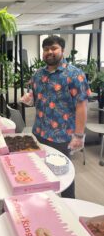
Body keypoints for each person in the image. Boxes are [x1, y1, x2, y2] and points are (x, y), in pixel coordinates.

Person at [21, 35, 91, 199]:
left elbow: (82, 105)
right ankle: (44, 202)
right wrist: (29, 98)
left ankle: (69, 207)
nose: (49, 52)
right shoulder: (38, 74)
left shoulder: (74, 74)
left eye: (54, 48)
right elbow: (35, 98)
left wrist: (79, 135)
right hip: (39, 133)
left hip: (62, 137)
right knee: (39, 171)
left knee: (64, 176)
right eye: (46, 49)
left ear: (62, 50)